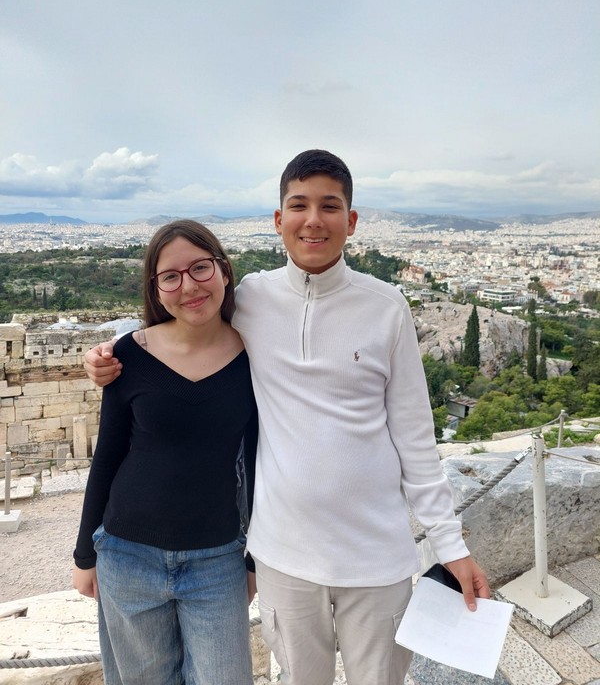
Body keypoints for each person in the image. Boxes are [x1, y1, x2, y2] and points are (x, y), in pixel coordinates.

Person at [84, 150, 490, 685]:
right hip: (284, 557)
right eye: (299, 205)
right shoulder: (253, 298)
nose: (313, 220)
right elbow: (184, 323)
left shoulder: (387, 306)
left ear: (351, 220)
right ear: (279, 219)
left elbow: (415, 439)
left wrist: (451, 546)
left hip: (377, 556)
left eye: (330, 206)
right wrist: (107, 352)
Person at [73, 220, 258, 685]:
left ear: (224, 270)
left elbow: (258, 462)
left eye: (200, 268)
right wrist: (84, 555)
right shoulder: (127, 356)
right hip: (126, 555)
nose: (189, 286)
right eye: (170, 277)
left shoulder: (255, 357)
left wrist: (254, 560)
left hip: (217, 560)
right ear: (156, 290)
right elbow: (108, 456)